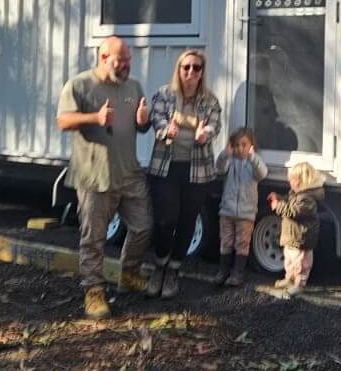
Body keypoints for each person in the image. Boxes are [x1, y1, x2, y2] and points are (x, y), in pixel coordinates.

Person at [56, 36, 151, 319]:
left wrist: (143, 121)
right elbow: (63, 121)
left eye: (129, 60)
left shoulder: (133, 87)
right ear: (104, 57)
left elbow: (140, 126)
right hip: (94, 176)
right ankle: (94, 291)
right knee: (94, 238)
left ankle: (129, 273)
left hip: (129, 173)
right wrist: (94, 118)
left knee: (144, 226)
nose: (127, 66)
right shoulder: (80, 85)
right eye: (122, 61)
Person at [146, 48, 222, 299]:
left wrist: (205, 134)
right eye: (186, 67)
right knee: (165, 220)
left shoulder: (210, 101)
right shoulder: (164, 94)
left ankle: (174, 270)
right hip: (166, 168)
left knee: (187, 221)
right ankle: (160, 266)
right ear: (178, 69)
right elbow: (156, 120)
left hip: (197, 172)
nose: (191, 72)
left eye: (196, 68)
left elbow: (215, 125)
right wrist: (165, 130)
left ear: (202, 72)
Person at [213, 127, 267, 288]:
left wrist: (252, 157)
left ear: (251, 146)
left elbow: (262, 174)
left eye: (244, 145)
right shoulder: (230, 161)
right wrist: (225, 154)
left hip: (246, 213)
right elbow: (219, 168)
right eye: (236, 145)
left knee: (242, 243)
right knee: (226, 241)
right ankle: (223, 271)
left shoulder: (254, 162)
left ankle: (237, 273)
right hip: (227, 211)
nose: (240, 148)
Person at [267, 161, 324, 298]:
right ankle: (290, 279)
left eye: (292, 179)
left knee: (301, 263)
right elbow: (289, 202)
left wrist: (278, 206)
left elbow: (294, 211)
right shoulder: (296, 194)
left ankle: (299, 285)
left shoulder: (307, 198)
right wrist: (279, 198)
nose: (290, 182)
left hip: (301, 237)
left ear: (301, 181)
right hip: (293, 236)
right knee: (289, 259)